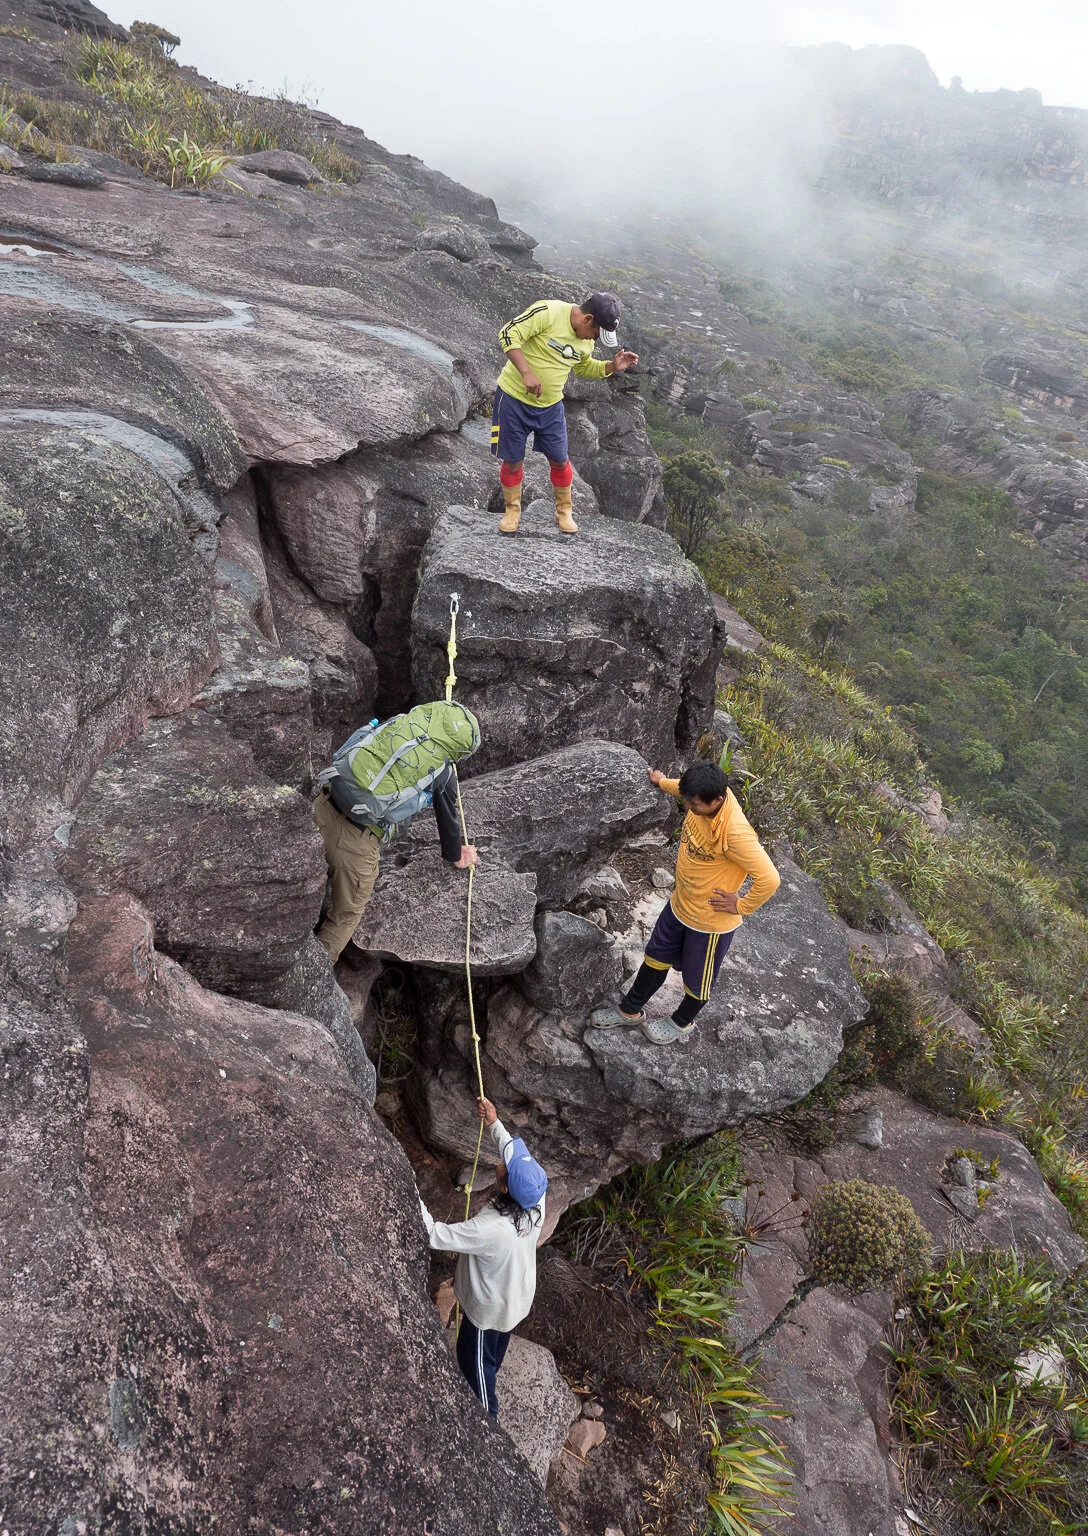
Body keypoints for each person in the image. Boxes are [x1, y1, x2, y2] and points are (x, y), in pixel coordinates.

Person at [592, 761, 781, 1045]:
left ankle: (681, 1022)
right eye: (687, 800)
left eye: (694, 804)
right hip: (680, 905)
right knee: (655, 959)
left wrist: (741, 906)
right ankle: (629, 1011)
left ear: (717, 801)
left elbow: (770, 879)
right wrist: (661, 782)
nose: (689, 807)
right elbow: (683, 789)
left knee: (697, 981)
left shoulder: (735, 833)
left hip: (709, 923)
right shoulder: (705, 793)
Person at [312, 701, 480, 963]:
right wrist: (458, 855)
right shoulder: (443, 772)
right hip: (355, 844)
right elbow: (448, 822)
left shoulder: (403, 724)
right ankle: (311, 977)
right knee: (346, 915)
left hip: (320, 808)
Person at [419, 1096, 547, 1420]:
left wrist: (409, 1189)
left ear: (504, 1186)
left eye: (505, 1164)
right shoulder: (535, 1198)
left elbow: (434, 1234)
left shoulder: (490, 1229)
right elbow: (515, 1159)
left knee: (474, 1366)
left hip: (486, 1313)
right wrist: (493, 1122)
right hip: (514, 1300)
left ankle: (487, 1424)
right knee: (493, 1355)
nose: (502, 1161)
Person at [492, 292, 639, 536]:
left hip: (550, 406)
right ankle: (512, 510)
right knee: (513, 459)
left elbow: (584, 367)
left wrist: (612, 366)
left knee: (560, 460)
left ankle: (564, 511)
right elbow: (508, 333)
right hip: (513, 399)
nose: (594, 339)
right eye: (596, 334)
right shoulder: (547, 312)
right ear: (588, 319)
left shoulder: (586, 340)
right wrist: (526, 372)